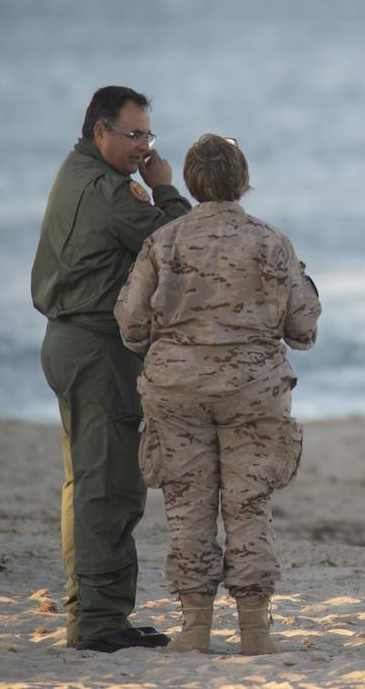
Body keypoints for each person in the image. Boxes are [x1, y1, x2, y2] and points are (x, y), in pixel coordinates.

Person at [114, 134, 320, 655]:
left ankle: (194, 630)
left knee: (188, 507)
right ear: (242, 180)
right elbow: (303, 326)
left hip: (177, 393)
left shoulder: (165, 241)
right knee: (249, 506)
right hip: (253, 392)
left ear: (190, 182)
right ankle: (254, 630)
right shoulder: (271, 241)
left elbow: (132, 324)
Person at [32, 86, 191, 652]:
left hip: (79, 342)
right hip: (95, 347)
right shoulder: (105, 191)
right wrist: (167, 187)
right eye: (133, 135)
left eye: (148, 135)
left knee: (91, 483)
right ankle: (98, 623)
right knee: (110, 487)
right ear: (100, 130)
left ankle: (99, 615)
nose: (142, 146)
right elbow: (182, 245)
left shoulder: (81, 171)